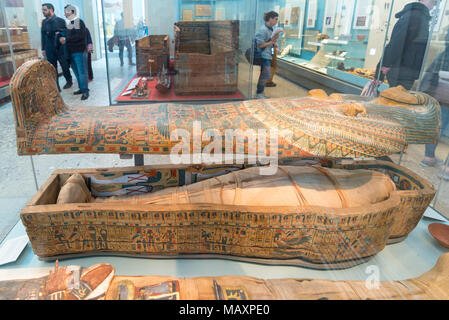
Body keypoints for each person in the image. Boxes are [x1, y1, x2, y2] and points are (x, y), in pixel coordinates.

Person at [376, 0, 437, 90]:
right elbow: (396, 42)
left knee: (397, 98)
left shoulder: (418, 16)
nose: (433, 5)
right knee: (397, 98)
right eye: (432, 2)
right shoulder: (416, 15)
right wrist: (384, 67)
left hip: (405, 69)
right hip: (403, 70)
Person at [419, 28, 449, 180]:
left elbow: (430, 73)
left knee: (437, 126)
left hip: (441, 95)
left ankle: (429, 157)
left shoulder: (443, 55)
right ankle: (447, 167)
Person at [41, 3, 72, 91]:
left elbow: (66, 32)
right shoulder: (44, 22)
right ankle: (56, 86)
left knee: (64, 66)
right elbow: (43, 35)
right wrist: (43, 48)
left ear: (51, 10)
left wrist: (61, 35)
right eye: (42, 10)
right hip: (49, 48)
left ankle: (69, 81)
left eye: (45, 10)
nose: (43, 12)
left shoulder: (60, 20)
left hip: (60, 48)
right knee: (52, 68)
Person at [62, 5, 89, 100]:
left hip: (79, 51)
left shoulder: (78, 21)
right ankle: (81, 89)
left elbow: (79, 37)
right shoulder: (70, 23)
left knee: (82, 73)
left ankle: (85, 91)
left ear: (71, 12)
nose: (64, 14)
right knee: (77, 72)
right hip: (71, 52)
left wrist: (66, 39)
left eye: (66, 11)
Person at [254, 11, 279, 99]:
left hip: (268, 55)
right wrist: (271, 42)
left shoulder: (270, 29)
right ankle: (259, 93)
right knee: (266, 74)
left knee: (265, 74)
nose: (276, 21)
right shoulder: (263, 30)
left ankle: (260, 92)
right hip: (263, 55)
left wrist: (274, 45)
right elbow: (260, 45)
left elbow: (269, 43)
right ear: (271, 19)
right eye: (275, 19)